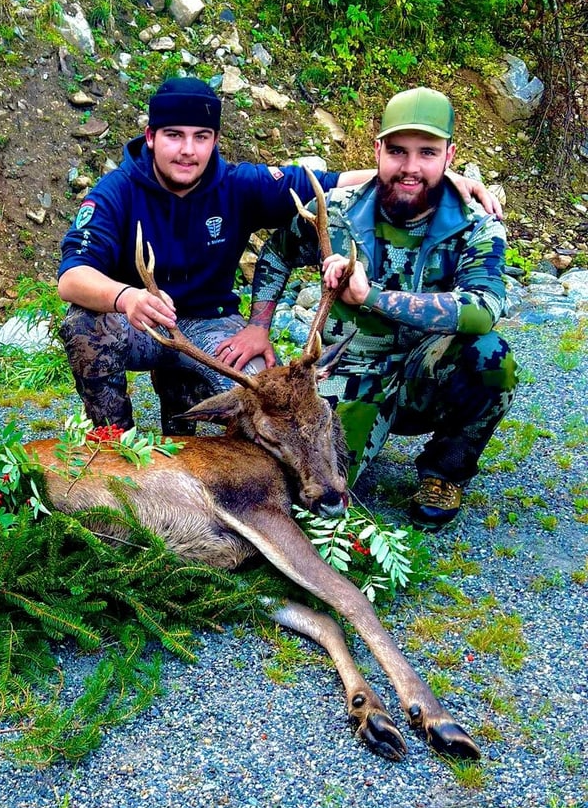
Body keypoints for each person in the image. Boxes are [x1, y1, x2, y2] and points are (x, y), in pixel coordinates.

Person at [57, 76, 499, 437]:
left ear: (214, 140)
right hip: (144, 323)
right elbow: (71, 277)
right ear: (151, 137)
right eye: (174, 136)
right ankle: (115, 447)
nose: (187, 150)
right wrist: (126, 298)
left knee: (265, 400)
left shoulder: (238, 185)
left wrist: (430, 177)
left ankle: (202, 439)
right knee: (84, 326)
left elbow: (333, 181)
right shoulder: (115, 193)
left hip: (213, 327)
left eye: (201, 137)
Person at [252, 86, 517, 529]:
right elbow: (277, 254)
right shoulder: (332, 213)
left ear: (449, 156)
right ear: (377, 150)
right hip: (347, 374)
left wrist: (371, 297)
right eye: (397, 151)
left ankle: (444, 472)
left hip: (423, 374)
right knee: (310, 497)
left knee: (490, 357)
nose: (410, 167)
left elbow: (484, 306)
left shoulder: (477, 227)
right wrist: (259, 325)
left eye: (427, 152)